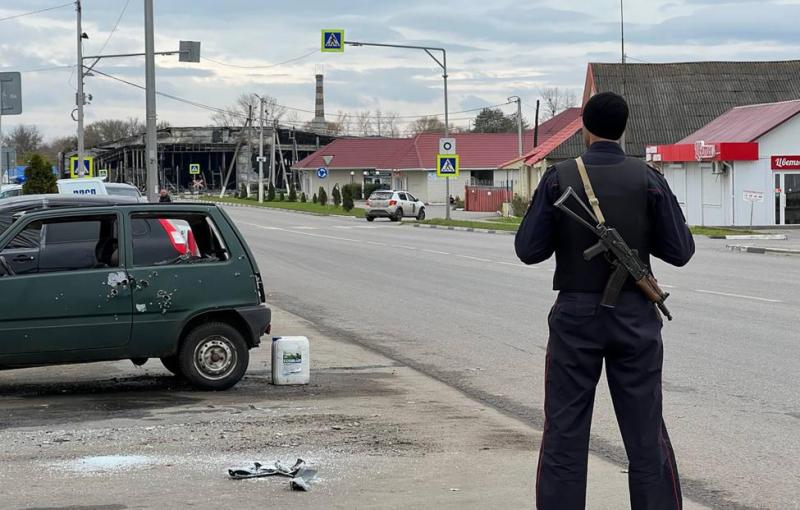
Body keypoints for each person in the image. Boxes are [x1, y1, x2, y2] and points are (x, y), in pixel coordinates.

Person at [515, 92, 694, 510]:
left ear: (584, 129)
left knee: (564, 432)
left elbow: (529, 249)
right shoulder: (648, 177)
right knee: (646, 435)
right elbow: (680, 251)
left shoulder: (559, 176)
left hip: (576, 316)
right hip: (634, 317)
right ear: (625, 129)